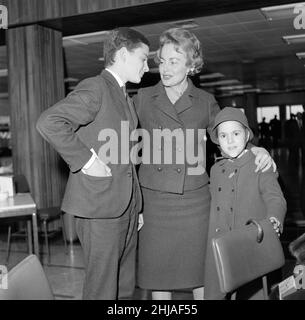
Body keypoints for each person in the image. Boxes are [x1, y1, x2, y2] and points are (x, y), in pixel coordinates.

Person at [134, 28, 274, 300]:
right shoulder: (142, 99)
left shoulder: (206, 102)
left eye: (173, 61)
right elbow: (123, 149)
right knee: (158, 277)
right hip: (154, 203)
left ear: (191, 65)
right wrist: (134, 204)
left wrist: (256, 150)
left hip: (195, 204)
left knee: (202, 275)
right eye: (161, 61)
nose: (164, 68)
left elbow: (229, 137)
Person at [36, 27, 150, 299]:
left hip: (125, 207)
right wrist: (88, 160)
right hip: (100, 211)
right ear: (123, 55)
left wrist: (137, 206)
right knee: (102, 289)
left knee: (123, 286)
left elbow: (126, 159)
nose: (147, 66)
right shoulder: (97, 87)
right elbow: (49, 122)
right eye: (143, 58)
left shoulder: (124, 96)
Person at [204, 107, 286, 300]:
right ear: (217, 140)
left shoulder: (260, 164)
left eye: (236, 133)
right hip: (220, 246)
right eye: (223, 135)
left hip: (249, 246)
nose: (230, 140)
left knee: (252, 294)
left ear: (247, 135)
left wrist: (274, 219)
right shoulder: (216, 170)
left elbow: (275, 198)